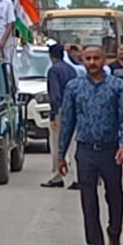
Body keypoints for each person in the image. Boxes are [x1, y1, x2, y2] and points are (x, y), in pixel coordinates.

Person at [58, 46, 123, 245]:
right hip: (85, 151)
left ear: (104, 60)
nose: (92, 62)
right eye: (88, 58)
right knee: (88, 201)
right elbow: (67, 123)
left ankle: (114, 232)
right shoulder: (74, 87)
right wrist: (62, 155)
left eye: (96, 58)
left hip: (110, 150)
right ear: (82, 61)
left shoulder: (116, 86)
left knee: (115, 196)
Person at [41, 42, 80, 189]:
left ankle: (57, 176)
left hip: (60, 110)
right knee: (73, 145)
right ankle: (77, 177)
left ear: (51, 56)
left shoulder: (53, 70)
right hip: (74, 109)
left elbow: (55, 95)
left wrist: (52, 115)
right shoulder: (71, 69)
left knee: (57, 144)